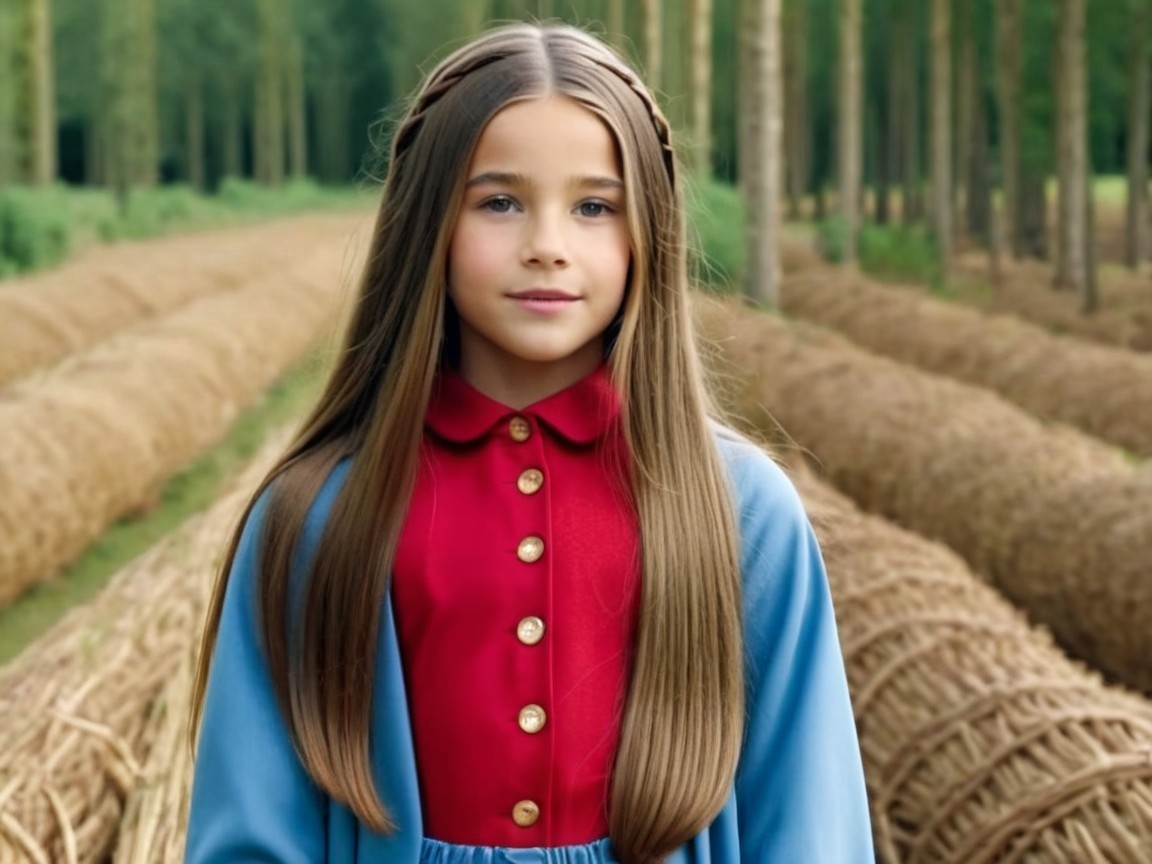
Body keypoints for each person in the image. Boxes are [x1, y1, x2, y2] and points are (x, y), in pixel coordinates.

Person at [185, 21, 874, 864]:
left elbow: (811, 828)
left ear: (645, 235)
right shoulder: (321, 515)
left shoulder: (743, 515)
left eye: (594, 207)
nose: (547, 246)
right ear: (425, 224)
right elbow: (251, 831)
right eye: (499, 202)